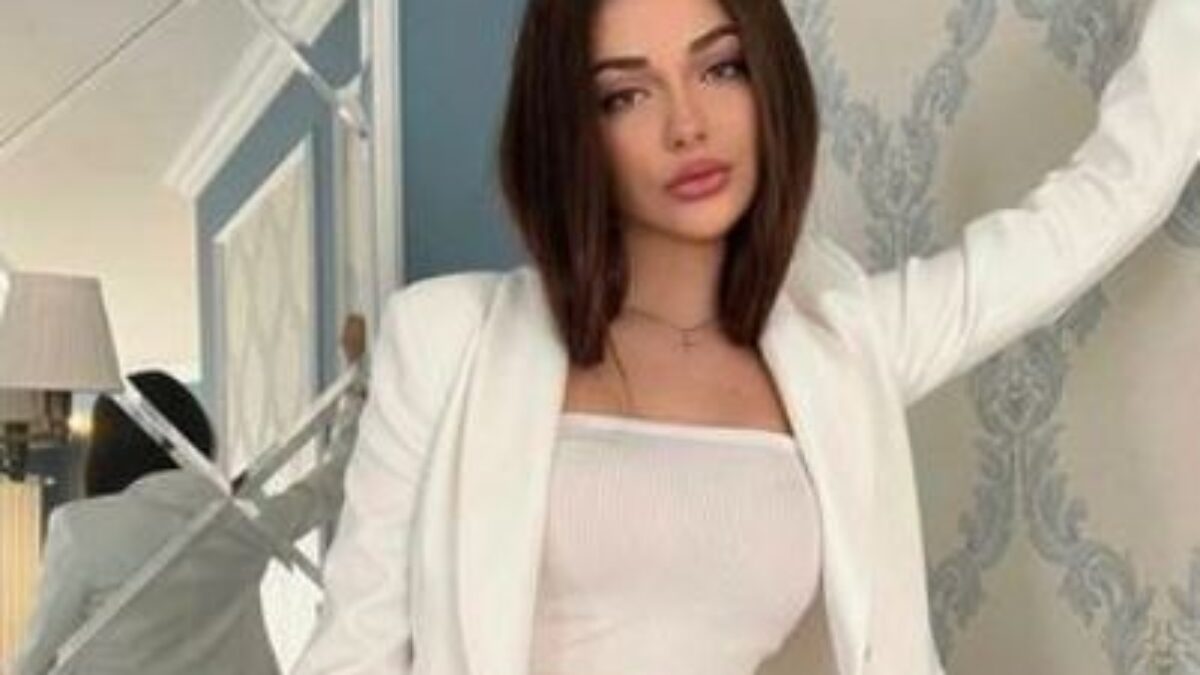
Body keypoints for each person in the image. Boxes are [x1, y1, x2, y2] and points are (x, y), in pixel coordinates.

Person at [293, 0, 1200, 672]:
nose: (686, 124)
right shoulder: (445, 343)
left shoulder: (844, 347)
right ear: (572, 134)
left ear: (768, 81)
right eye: (625, 95)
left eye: (720, 68)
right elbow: (354, 654)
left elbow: (1098, 202)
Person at [14, 368, 357, 675]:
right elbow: (331, 484)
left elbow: (35, 659)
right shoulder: (246, 520)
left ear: (108, 450)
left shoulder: (81, 530)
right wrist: (356, 395)